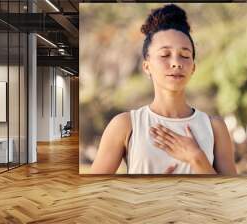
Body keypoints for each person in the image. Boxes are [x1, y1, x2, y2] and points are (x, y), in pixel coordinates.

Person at [91, 4, 237, 174]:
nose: (176, 62)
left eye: (184, 56)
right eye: (164, 55)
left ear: (193, 68)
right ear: (146, 67)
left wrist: (197, 158)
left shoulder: (214, 128)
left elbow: (232, 196)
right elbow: (91, 195)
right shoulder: (125, 125)